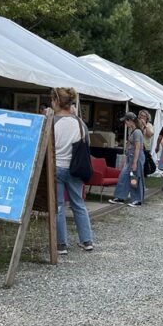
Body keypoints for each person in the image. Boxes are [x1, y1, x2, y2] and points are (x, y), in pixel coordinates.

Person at [52, 87, 94, 255]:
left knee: (59, 206)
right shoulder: (79, 122)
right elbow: (87, 143)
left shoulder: (52, 122)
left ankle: (61, 244)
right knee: (79, 204)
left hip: (56, 167)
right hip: (76, 168)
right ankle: (87, 240)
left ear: (56, 102)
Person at [109, 112, 146, 207]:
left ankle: (137, 199)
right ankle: (120, 197)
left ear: (131, 121)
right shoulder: (132, 131)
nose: (125, 123)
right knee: (123, 176)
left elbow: (138, 147)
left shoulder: (137, 132)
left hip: (136, 157)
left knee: (135, 178)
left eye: (126, 121)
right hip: (131, 157)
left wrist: (134, 163)